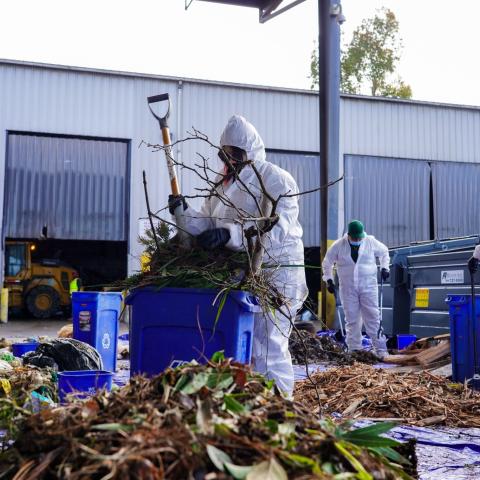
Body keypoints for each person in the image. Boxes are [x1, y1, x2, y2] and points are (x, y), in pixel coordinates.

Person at [168, 115, 308, 396]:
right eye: (225, 153)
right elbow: (208, 223)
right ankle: (252, 403)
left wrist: (230, 235)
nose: (229, 159)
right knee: (246, 346)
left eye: (235, 153)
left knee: (268, 345)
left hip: (276, 273)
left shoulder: (275, 179)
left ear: (250, 152)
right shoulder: (221, 186)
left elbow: (275, 230)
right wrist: (184, 212)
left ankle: (280, 406)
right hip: (244, 274)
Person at [322, 220, 389, 357]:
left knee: (373, 317)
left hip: (368, 286)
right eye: (356, 237)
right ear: (349, 235)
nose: (358, 239)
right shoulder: (339, 245)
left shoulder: (370, 241)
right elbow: (327, 262)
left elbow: (384, 252)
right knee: (352, 318)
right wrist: (328, 279)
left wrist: (384, 267)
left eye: (360, 236)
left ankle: (380, 349)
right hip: (348, 287)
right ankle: (354, 349)